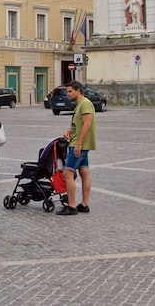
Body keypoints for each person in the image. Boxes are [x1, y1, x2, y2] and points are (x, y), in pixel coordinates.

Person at [58, 80, 96, 216]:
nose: (68, 94)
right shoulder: (80, 105)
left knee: (68, 173)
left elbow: (87, 124)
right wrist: (69, 130)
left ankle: (72, 205)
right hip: (79, 143)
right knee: (84, 172)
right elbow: (78, 124)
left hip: (79, 145)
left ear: (78, 91)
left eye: (70, 91)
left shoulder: (85, 104)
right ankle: (84, 205)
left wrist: (79, 144)